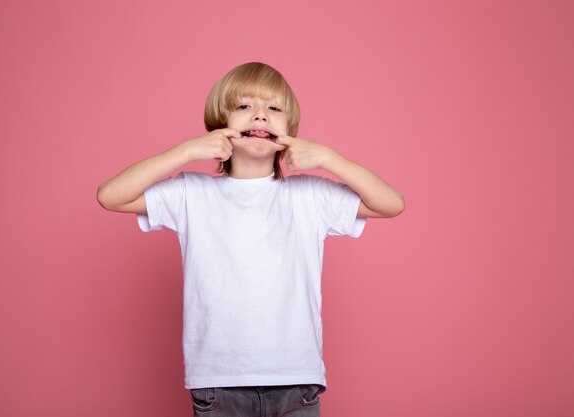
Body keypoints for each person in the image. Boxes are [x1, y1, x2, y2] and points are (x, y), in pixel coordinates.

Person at [97, 62, 404, 417]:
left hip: (296, 381)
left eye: (274, 109)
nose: (260, 117)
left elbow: (391, 204)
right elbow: (111, 195)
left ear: (289, 129)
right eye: (244, 107)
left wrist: (329, 158)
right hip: (218, 383)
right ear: (219, 124)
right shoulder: (191, 194)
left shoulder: (310, 196)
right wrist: (185, 151)